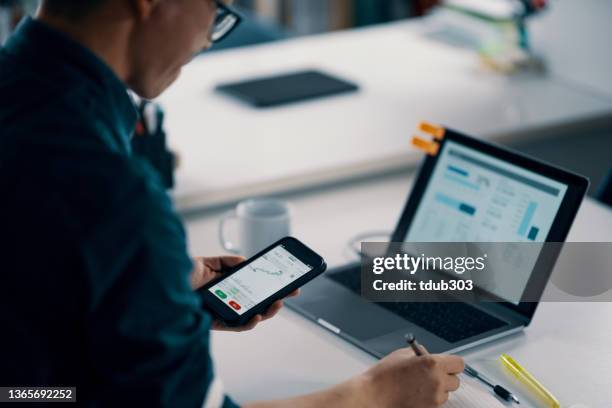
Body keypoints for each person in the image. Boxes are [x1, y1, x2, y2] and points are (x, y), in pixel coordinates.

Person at [0, 1, 464, 406]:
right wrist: (375, 395)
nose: (207, 39)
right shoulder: (115, 195)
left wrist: (147, 291)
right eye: (215, 9)